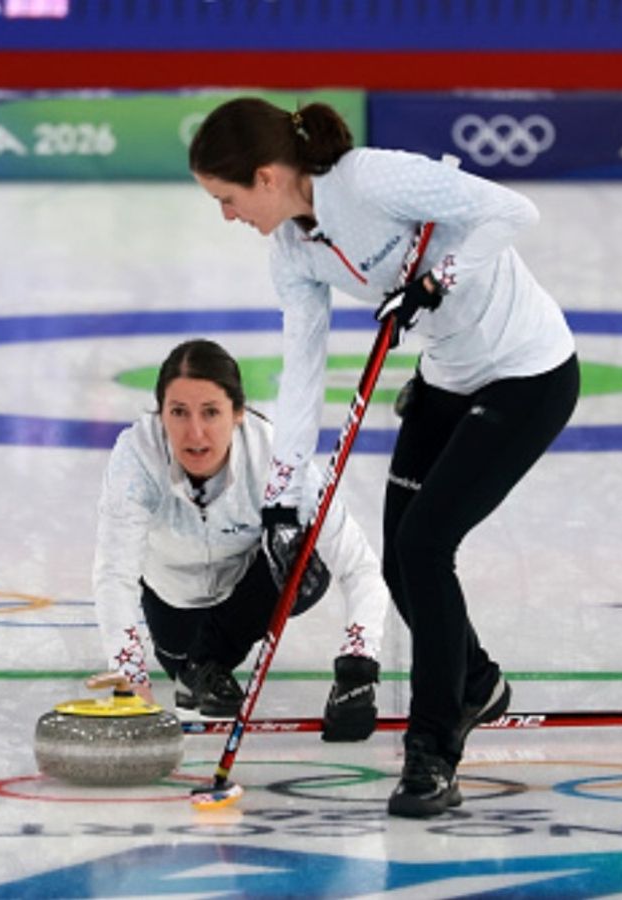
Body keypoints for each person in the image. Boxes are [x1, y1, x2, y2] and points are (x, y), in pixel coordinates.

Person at [188, 98, 580, 817]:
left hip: (529, 371)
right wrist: (283, 498)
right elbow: (302, 375)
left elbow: (512, 210)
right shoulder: (293, 253)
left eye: (228, 197)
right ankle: (475, 683)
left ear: (269, 177)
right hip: (448, 378)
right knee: (401, 556)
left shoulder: (370, 181)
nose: (227, 215)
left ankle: (433, 752)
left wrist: (438, 279)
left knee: (426, 544)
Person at [91, 338, 393, 742]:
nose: (194, 433)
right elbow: (115, 572)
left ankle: (209, 664)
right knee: (180, 656)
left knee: (303, 560)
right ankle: (194, 668)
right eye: (178, 412)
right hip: (173, 607)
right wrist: (131, 677)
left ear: (237, 413)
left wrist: (358, 667)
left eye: (211, 412)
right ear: (160, 413)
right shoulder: (137, 456)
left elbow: (360, 567)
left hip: (243, 596)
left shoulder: (275, 458)